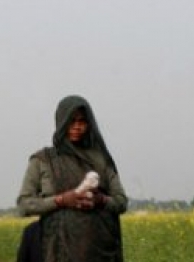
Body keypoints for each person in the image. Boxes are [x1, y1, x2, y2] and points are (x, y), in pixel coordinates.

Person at [17, 95, 128, 262]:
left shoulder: (101, 160)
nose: (77, 127)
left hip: (100, 251)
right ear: (61, 121)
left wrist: (101, 200)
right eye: (71, 121)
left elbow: (121, 202)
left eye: (82, 121)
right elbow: (24, 204)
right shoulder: (43, 160)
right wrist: (61, 200)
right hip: (57, 251)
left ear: (89, 124)